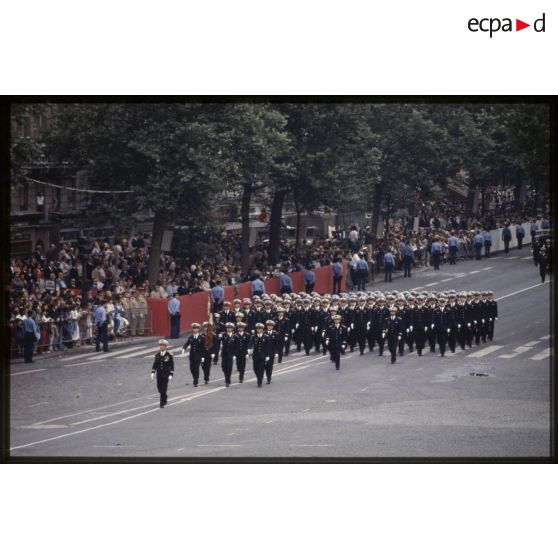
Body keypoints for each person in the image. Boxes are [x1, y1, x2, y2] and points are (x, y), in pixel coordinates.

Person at [151, 339, 174, 408]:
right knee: (159, 388)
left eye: (163, 345)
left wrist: (171, 374)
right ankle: (165, 396)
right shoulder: (157, 355)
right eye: (160, 345)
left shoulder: (169, 355)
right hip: (159, 374)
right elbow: (155, 364)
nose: (161, 347)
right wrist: (153, 372)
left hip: (165, 374)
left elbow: (171, 365)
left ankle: (162, 403)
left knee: (164, 388)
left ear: (165, 346)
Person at [182, 323, 205, 387]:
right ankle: (194, 377)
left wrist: (203, 356)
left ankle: (196, 380)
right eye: (194, 328)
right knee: (191, 368)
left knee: (196, 368)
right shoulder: (191, 337)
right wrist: (184, 348)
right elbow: (187, 343)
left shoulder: (202, 337)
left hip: (198, 356)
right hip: (192, 355)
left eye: (196, 328)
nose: (195, 330)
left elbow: (203, 348)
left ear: (198, 329)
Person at [249, 322, 269, 387]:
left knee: (261, 369)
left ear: (263, 330)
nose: (259, 330)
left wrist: (267, 355)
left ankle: (259, 382)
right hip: (255, 355)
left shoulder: (266, 337)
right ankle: (259, 377)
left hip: (263, 356)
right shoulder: (253, 336)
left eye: (260, 329)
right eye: (257, 328)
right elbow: (250, 343)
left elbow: (268, 347)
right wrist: (249, 349)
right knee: (255, 368)